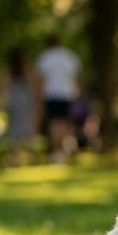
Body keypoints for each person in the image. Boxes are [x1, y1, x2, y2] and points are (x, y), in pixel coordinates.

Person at [34, 33, 82, 161]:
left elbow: (40, 80)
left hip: (52, 94)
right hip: (68, 94)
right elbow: (75, 77)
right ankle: (68, 148)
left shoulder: (45, 58)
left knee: (55, 123)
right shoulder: (69, 56)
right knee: (66, 123)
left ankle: (57, 151)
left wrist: (38, 97)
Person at [0, 46, 38, 164]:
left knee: (13, 127)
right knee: (27, 126)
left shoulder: (8, 69)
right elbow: (32, 85)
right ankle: (32, 156)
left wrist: (2, 99)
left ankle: (13, 157)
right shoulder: (26, 68)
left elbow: (4, 86)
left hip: (13, 100)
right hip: (24, 100)